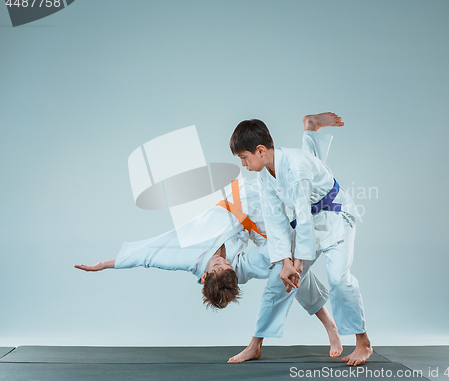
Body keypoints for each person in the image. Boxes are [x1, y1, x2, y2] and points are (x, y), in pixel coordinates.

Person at [75, 116, 343, 361]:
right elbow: (275, 262)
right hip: (260, 226)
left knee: (298, 183)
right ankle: (311, 132)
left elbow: (148, 255)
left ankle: (257, 343)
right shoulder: (235, 270)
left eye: (218, 265)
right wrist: (290, 262)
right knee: (287, 273)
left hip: (245, 201)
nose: (221, 261)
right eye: (225, 265)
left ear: (204, 275)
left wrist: (104, 264)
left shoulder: (187, 258)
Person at [229, 113, 372, 366]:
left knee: (338, 278)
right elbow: (276, 220)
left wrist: (297, 262)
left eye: (244, 157)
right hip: (308, 218)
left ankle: (363, 342)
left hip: (335, 215)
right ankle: (256, 344)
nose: (243, 164)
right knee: (280, 278)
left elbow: (303, 217)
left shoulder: (294, 167)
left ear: (260, 150)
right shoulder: (264, 173)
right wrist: (285, 261)